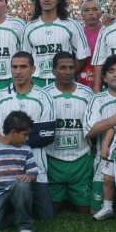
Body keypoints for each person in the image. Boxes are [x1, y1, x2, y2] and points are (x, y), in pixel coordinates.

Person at [0, 51, 56, 220]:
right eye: (15, 67)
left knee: (46, 217)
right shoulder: (0, 96)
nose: (18, 71)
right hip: (4, 166)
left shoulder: (44, 97)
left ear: (33, 69)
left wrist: (13, 142)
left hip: (35, 166)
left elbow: (47, 134)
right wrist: (10, 144)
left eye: (23, 67)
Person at [44, 51, 95, 214]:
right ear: (53, 71)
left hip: (80, 158)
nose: (67, 72)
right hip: (53, 158)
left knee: (84, 209)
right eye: (62, 68)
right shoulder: (45, 94)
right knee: (53, 209)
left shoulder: (87, 94)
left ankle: (73, 191)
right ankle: (61, 193)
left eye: (71, 67)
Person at [84, 55, 116, 219]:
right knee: (95, 211)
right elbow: (89, 131)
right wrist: (113, 120)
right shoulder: (97, 99)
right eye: (111, 71)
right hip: (104, 158)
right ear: (104, 77)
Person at [22, 0, 90, 86]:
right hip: (37, 82)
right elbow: (25, 59)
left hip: (63, 83)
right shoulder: (29, 27)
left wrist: (67, 74)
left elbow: (83, 55)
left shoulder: (71, 25)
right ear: (38, 0)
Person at [77, 0, 103, 88]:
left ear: (100, 13)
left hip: (105, 85)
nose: (91, 13)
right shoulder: (76, 34)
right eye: (87, 10)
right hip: (81, 84)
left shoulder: (107, 33)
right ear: (81, 14)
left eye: (95, 9)